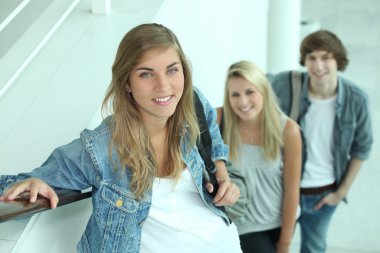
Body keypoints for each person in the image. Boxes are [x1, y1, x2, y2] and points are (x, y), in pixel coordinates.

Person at [0, 23, 242, 253]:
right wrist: (28, 186)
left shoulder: (192, 102)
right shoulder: (101, 149)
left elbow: (210, 131)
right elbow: (16, 188)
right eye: (146, 74)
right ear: (126, 82)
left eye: (172, 70)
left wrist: (221, 173)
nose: (164, 85)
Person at [269, 30, 373, 253]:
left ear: (338, 60)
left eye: (326, 58)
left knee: (314, 249)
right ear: (304, 61)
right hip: (282, 189)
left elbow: (362, 147)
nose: (318, 66)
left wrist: (341, 192)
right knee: (275, 247)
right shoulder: (287, 85)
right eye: (312, 58)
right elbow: (257, 85)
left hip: (322, 195)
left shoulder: (356, 99)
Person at [218, 60, 302, 253]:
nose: (243, 102)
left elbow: (291, 191)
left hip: (279, 223)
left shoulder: (288, 130)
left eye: (250, 92)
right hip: (241, 225)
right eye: (235, 95)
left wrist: (285, 244)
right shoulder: (219, 120)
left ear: (263, 91)